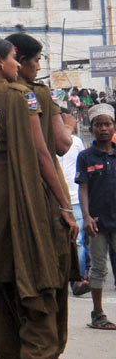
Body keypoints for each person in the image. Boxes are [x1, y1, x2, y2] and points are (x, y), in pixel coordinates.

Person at [0, 38, 78, 359]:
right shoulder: (25, 95)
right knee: (36, 274)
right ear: (1, 61)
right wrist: (64, 205)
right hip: (25, 196)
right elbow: (46, 153)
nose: (18, 64)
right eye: (14, 58)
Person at [6, 32, 78, 359]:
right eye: (35, 61)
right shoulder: (36, 95)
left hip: (2, 194)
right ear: (19, 62)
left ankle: (15, 356)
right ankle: (51, 348)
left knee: (7, 275)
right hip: (43, 191)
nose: (38, 67)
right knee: (53, 268)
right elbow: (59, 147)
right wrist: (69, 125)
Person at [78, 104, 116, 331]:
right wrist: (86, 216)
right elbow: (83, 188)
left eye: (107, 124)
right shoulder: (86, 157)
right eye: (98, 124)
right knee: (100, 268)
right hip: (98, 223)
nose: (103, 128)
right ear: (91, 128)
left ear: (113, 126)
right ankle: (98, 313)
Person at [60, 113, 90, 296]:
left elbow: (84, 169)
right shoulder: (48, 140)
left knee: (78, 241)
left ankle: (77, 281)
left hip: (75, 198)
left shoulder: (77, 142)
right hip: (56, 198)